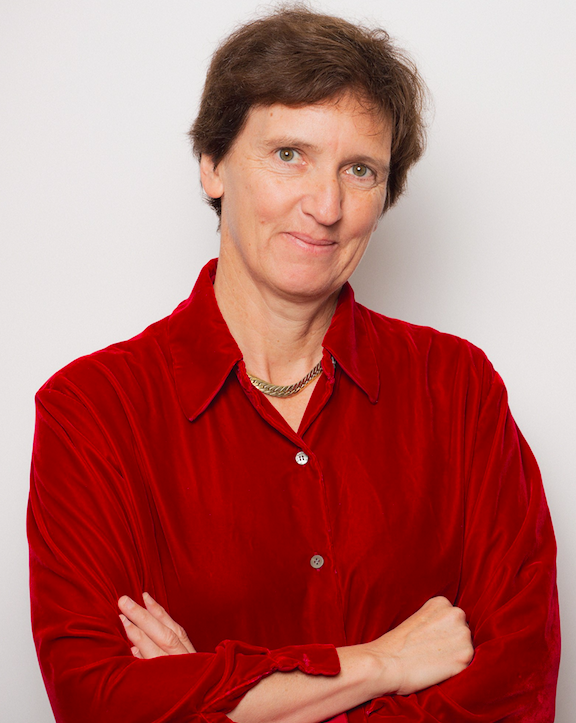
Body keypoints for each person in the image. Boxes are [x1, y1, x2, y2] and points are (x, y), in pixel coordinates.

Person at [28, 7, 560, 723]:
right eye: (289, 155)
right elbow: (98, 702)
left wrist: (217, 694)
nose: (326, 205)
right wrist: (384, 663)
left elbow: (517, 689)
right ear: (213, 164)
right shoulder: (92, 411)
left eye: (359, 170)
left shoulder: (459, 389)